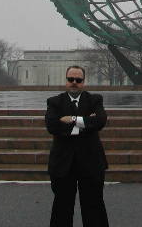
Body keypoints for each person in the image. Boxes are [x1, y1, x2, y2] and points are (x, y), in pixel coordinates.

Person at [45, 65, 109, 227]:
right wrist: (85, 123)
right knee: (62, 208)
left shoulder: (95, 100)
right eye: (71, 79)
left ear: (83, 82)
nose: (74, 82)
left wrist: (72, 119)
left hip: (91, 162)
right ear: (66, 80)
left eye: (78, 80)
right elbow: (52, 126)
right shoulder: (54, 102)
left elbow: (100, 121)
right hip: (63, 164)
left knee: (93, 207)